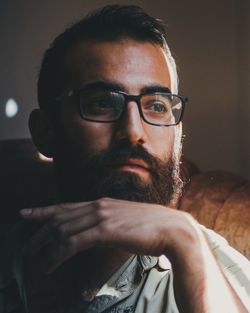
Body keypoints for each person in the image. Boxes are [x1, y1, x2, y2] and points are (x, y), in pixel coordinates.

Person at [1, 4, 249, 313]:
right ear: (45, 131)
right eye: (103, 103)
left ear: (177, 135)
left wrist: (184, 237)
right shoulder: (10, 258)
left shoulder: (221, 274)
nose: (133, 132)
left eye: (156, 106)